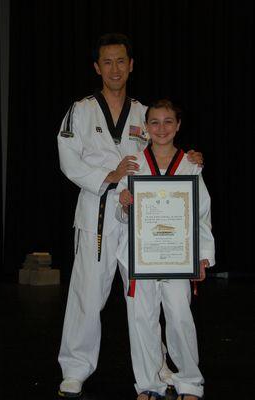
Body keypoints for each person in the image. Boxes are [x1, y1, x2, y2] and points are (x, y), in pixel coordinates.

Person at [57, 33, 203, 399]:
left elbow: (166, 148)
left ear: (131, 64)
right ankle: (75, 368)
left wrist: (191, 158)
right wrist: (107, 177)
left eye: (121, 61)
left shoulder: (143, 112)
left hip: (143, 222)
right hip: (98, 215)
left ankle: (157, 368)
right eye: (107, 62)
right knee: (88, 296)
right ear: (97, 67)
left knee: (145, 299)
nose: (115, 68)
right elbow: (68, 160)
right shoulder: (82, 109)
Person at [115, 98, 215, 400]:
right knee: (141, 320)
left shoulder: (190, 163)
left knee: (180, 317)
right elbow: (123, 212)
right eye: (155, 122)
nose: (161, 128)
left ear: (178, 125)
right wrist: (124, 204)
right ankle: (148, 384)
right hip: (139, 256)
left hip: (176, 257)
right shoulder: (134, 163)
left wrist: (202, 257)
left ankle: (189, 382)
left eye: (168, 121)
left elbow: (201, 213)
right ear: (145, 127)